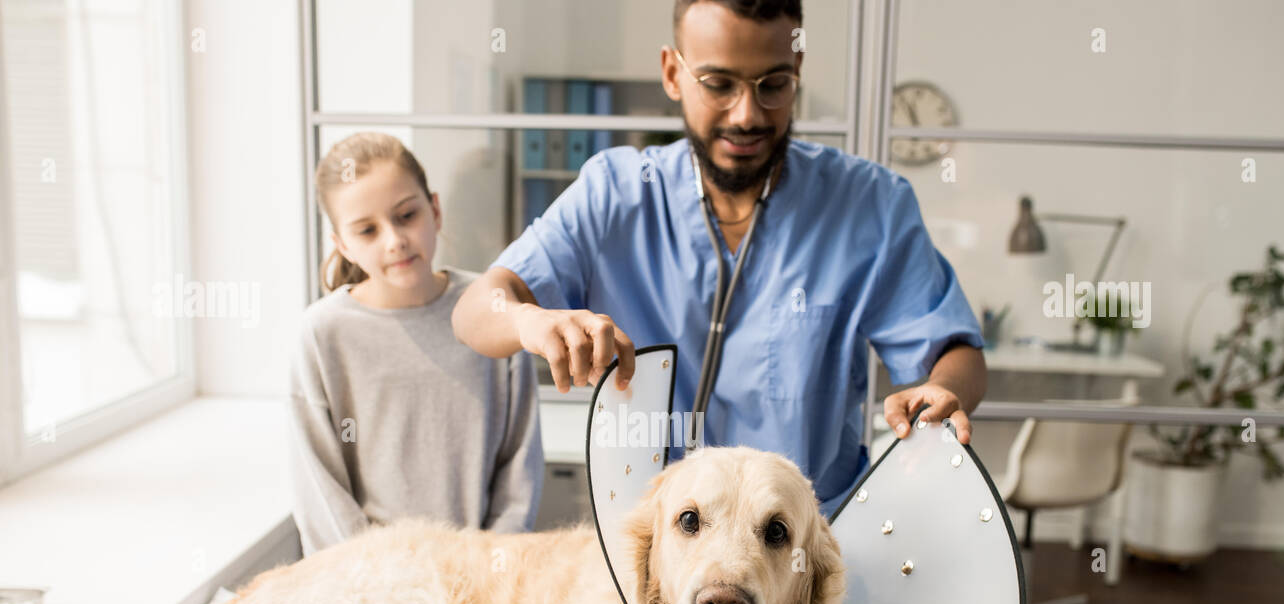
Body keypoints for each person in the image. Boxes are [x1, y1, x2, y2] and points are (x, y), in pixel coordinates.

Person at [452, 0, 987, 518]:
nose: (747, 114)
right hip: (654, 554)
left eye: (773, 84)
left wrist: (944, 391)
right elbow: (476, 309)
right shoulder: (614, 195)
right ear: (672, 73)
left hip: (806, 556)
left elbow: (956, 352)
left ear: (797, 69)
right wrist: (529, 318)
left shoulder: (869, 205)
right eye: (719, 84)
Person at [288, 132, 544, 556]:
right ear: (342, 245)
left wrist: (488, 569)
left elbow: (520, 469)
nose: (394, 239)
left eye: (406, 215)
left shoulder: (492, 309)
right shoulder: (322, 334)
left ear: (435, 209)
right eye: (367, 230)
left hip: (483, 587)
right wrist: (378, 582)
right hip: (367, 592)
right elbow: (320, 489)